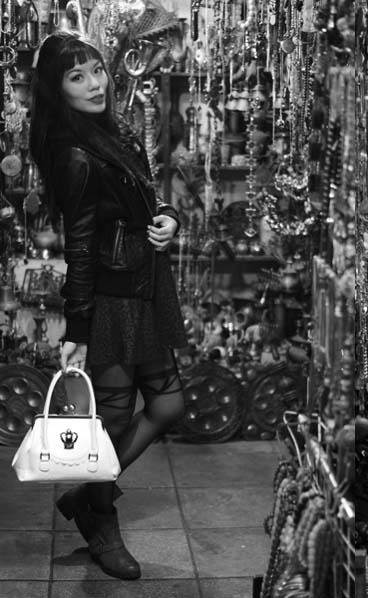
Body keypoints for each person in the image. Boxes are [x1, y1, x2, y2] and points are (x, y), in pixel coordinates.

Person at [29, 31, 188, 580]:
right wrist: (77, 326)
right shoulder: (73, 153)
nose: (95, 83)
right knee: (117, 415)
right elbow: (78, 245)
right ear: (57, 91)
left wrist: (168, 215)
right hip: (111, 299)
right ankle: (101, 517)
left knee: (167, 407)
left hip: (144, 285)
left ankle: (87, 498)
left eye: (96, 69)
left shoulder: (114, 130)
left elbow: (145, 194)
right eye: (77, 77)